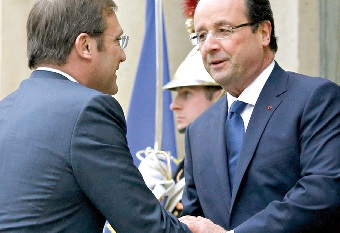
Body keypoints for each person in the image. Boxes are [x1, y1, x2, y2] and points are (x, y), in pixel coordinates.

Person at [0, 0, 193, 232]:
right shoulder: (88, 110)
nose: (122, 55)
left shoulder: (6, 109)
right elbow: (143, 225)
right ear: (86, 46)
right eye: (117, 40)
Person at [180, 0, 340, 232]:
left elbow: (323, 193)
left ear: (264, 32)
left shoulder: (316, 99)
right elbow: (195, 218)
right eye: (201, 36)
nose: (209, 46)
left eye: (223, 30)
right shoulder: (199, 130)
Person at [138, 45, 224, 218]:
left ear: (218, 95)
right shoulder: (184, 166)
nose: (173, 105)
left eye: (186, 94)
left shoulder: (225, 158)